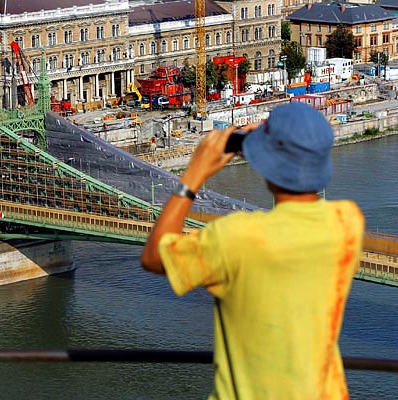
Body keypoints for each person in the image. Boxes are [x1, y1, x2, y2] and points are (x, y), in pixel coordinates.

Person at [141, 102, 364, 400]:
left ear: (267, 164)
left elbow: (154, 256)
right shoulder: (347, 221)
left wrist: (192, 176)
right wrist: (266, 149)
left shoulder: (236, 238)